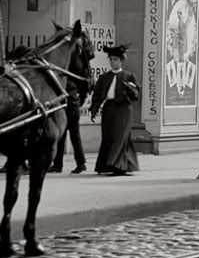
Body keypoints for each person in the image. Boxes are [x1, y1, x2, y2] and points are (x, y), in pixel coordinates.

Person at [88, 43, 140, 176]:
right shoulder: (104, 77)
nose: (112, 62)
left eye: (115, 59)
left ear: (122, 61)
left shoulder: (129, 76)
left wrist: (130, 89)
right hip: (109, 110)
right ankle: (109, 165)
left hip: (124, 110)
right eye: (111, 59)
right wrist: (94, 109)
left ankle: (116, 165)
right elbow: (97, 95)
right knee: (109, 137)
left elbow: (135, 96)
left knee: (120, 137)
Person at [51, 22, 93, 174]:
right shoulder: (78, 55)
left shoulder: (74, 55)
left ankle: (74, 163)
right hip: (72, 99)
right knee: (69, 133)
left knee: (70, 132)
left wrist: (78, 99)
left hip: (69, 98)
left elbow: (82, 80)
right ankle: (64, 163)